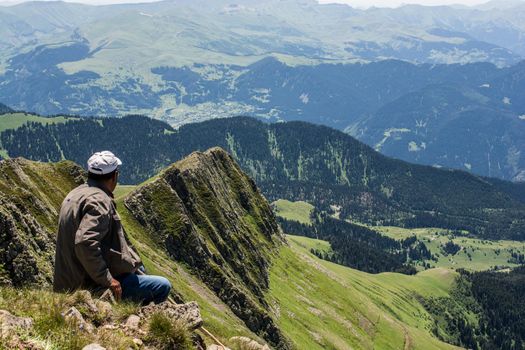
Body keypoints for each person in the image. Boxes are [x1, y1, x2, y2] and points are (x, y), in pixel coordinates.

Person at [53, 151, 171, 304]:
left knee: (141, 271)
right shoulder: (100, 201)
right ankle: (135, 318)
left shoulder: (74, 194)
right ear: (114, 175)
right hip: (88, 286)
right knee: (162, 286)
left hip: (68, 282)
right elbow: (84, 243)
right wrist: (108, 279)